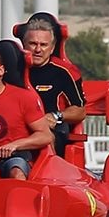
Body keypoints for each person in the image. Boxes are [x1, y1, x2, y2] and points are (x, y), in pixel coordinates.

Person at [0, 42, 53, 179]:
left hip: (13, 157)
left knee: (16, 171)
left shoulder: (24, 98)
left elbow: (45, 136)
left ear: (0, 70)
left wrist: (15, 145)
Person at [14, 12, 87, 155]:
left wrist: (56, 116)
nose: (38, 50)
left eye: (43, 45)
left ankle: (46, 175)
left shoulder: (64, 72)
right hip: (17, 128)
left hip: (52, 129)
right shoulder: (11, 69)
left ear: (52, 48)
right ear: (23, 44)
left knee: (46, 139)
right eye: (33, 44)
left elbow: (80, 110)